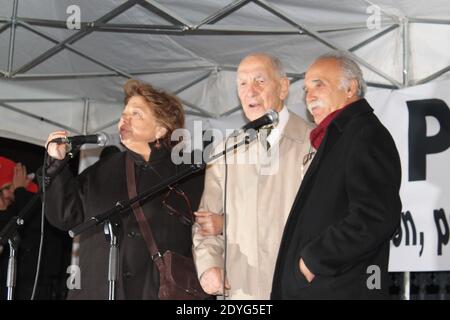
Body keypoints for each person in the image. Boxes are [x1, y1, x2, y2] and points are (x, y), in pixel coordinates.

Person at [43, 79, 204, 300]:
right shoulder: (103, 169)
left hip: (155, 293)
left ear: (161, 129)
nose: (124, 119)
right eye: (124, 113)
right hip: (97, 291)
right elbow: (65, 216)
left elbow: (208, 234)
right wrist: (56, 168)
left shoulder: (189, 175)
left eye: (136, 114)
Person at [271, 52, 402, 299]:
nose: (309, 96)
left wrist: (311, 261)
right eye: (306, 89)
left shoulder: (365, 134)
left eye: (319, 84)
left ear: (351, 88)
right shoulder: (338, 138)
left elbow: (376, 216)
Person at [193, 53, 314, 299]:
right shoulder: (225, 152)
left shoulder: (314, 143)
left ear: (283, 88)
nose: (250, 91)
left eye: (260, 81)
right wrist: (208, 266)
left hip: (298, 289)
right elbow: (206, 224)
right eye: (242, 83)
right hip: (240, 293)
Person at [0, 156, 71, 300]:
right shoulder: (10, 214)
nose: (10, 193)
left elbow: (39, 228)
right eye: (6, 188)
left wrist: (21, 191)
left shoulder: (23, 208)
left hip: (33, 287)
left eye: (11, 187)